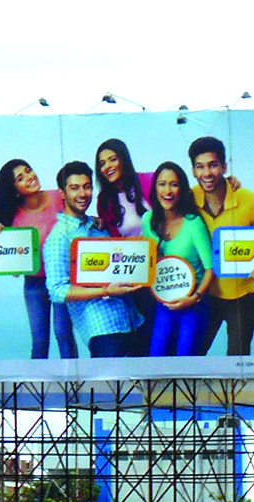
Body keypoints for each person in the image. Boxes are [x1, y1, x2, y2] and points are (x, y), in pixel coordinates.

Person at [44, 162, 144, 359]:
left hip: (132, 319)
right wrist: (106, 291)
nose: (82, 194)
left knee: (141, 388)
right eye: (74, 188)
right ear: (62, 194)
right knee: (110, 388)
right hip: (102, 329)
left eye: (87, 186)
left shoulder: (97, 226)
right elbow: (57, 291)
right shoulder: (59, 237)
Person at [189, 136, 254, 356]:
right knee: (194, 353)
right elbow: (156, 191)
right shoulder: (188, 198)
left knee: (238, 358)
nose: (206, 173)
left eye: (213, 165)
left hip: (242, 294)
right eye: (200, 167)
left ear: (224, 167)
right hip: (205, 293)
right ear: (193, 170)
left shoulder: (252, 201)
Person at [0, 159, 77, 360]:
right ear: (15, 190)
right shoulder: (13, 218)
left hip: (62, 279)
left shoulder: (59, 197)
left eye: (29, 171)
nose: (30, 177)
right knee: (39, 340)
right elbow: (14, 270)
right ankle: (38, 387)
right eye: (21, 178)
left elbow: (78, 219)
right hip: (35, 283)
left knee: (63, 334)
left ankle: (73, 384)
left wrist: (94, 220)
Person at [141, 161, 216, 357]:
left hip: (194, 304)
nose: (168, 190)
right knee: (156, 360)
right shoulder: (148, 220)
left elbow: (211, 268)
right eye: (162, 184)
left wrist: (194, 298)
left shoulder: (193, 223)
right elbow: (149, 260)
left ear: (182, 188)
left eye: (174, 184)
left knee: (185, 363)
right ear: (155, 188)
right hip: (164, 304)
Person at [95, 138, 156, 356]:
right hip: (137, 276)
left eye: (113, 159)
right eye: (102, 163)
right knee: (144, 334)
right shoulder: (104, 200)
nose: (108, 166)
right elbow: (115, 242)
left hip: (165, 267)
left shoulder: (149, 181)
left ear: (124, 159)